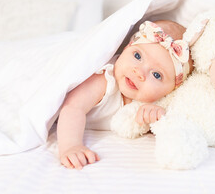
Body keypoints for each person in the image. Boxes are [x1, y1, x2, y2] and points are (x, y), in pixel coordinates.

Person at [57, 20, 192, 169]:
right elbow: (73, 107)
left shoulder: (154, 103)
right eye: (137, 56)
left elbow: (163, 131)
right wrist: (71, 145)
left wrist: (156, 117)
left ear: (171, 89)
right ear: (127, 46)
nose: (139, 72)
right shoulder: (105, 79)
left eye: (156, 75)